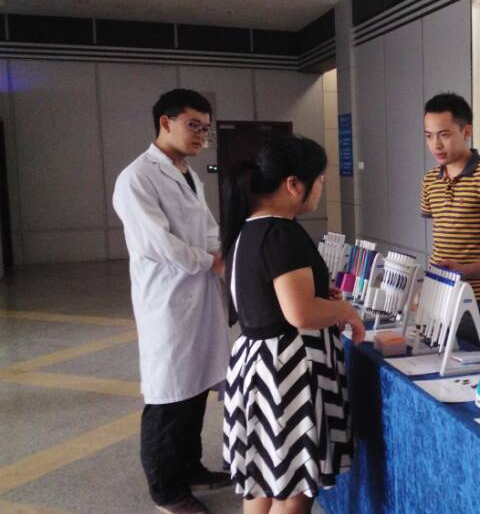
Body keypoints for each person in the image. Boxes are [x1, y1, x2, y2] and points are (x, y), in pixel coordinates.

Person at [221, 135, 365, 514]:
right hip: (288, 373)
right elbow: (299, 313)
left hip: (258, 365)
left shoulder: (249, 229)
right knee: (292, 489)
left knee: (262, 481)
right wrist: (346, 311)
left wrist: (321, 296)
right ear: (293, 184)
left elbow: (268, 297)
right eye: (319, 181)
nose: (320, 188)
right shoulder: (282, 232)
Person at [113, 89, 230, 514]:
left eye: (206, 128)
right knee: (168, 396)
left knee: (194, 389)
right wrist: (211, 262)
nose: (201, 135)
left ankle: (189, 468)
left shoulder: (189, 174)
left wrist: (221, 253)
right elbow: (157, 244)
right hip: (167, 301)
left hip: (198, 297)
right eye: (193, 125)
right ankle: (166, 490)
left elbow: (208, 227)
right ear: (166, 122)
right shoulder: (137, 178)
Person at [420, 93, 480, 350]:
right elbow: (442, 235)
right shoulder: (429, 180)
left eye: (444, 135)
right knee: (432, 361)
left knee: (469, 368)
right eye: (429, 136)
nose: (436, 145)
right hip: (439, 292)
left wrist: (465, 270)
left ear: (467, 131)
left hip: (475, 298)